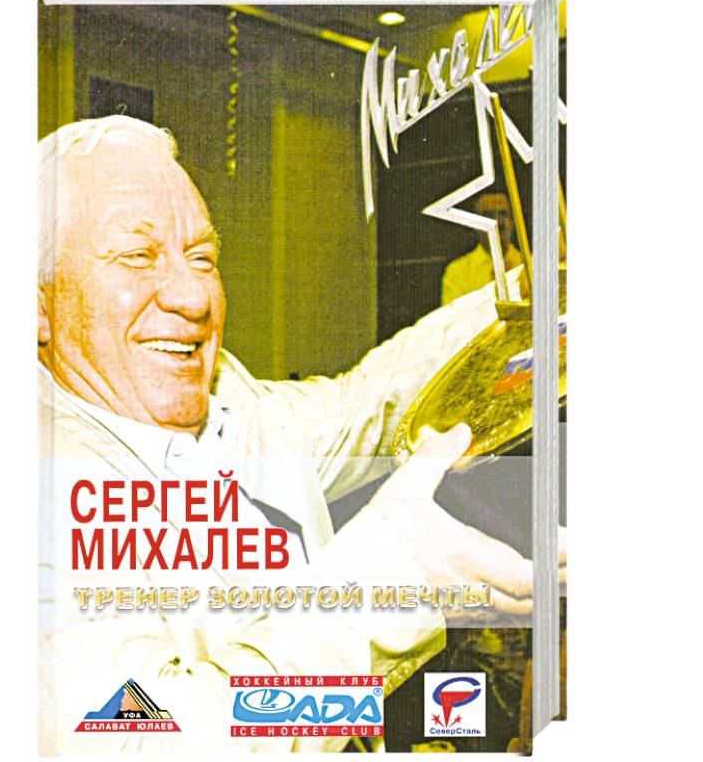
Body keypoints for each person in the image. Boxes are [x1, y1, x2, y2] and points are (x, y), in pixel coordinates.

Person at [38, 115, 544, 754]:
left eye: (203, 257)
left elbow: (366, 402)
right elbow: (149, 743)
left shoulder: (230, 405)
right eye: (137, 256)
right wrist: (390, 590)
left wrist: (535, 285)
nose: (192, 296)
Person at [440, 192, 523, 305]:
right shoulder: (457, 273)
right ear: (476, 224)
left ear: (513, 221)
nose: (496, 221)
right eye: (488, 215)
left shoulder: (531, 266)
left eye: (503, 213)